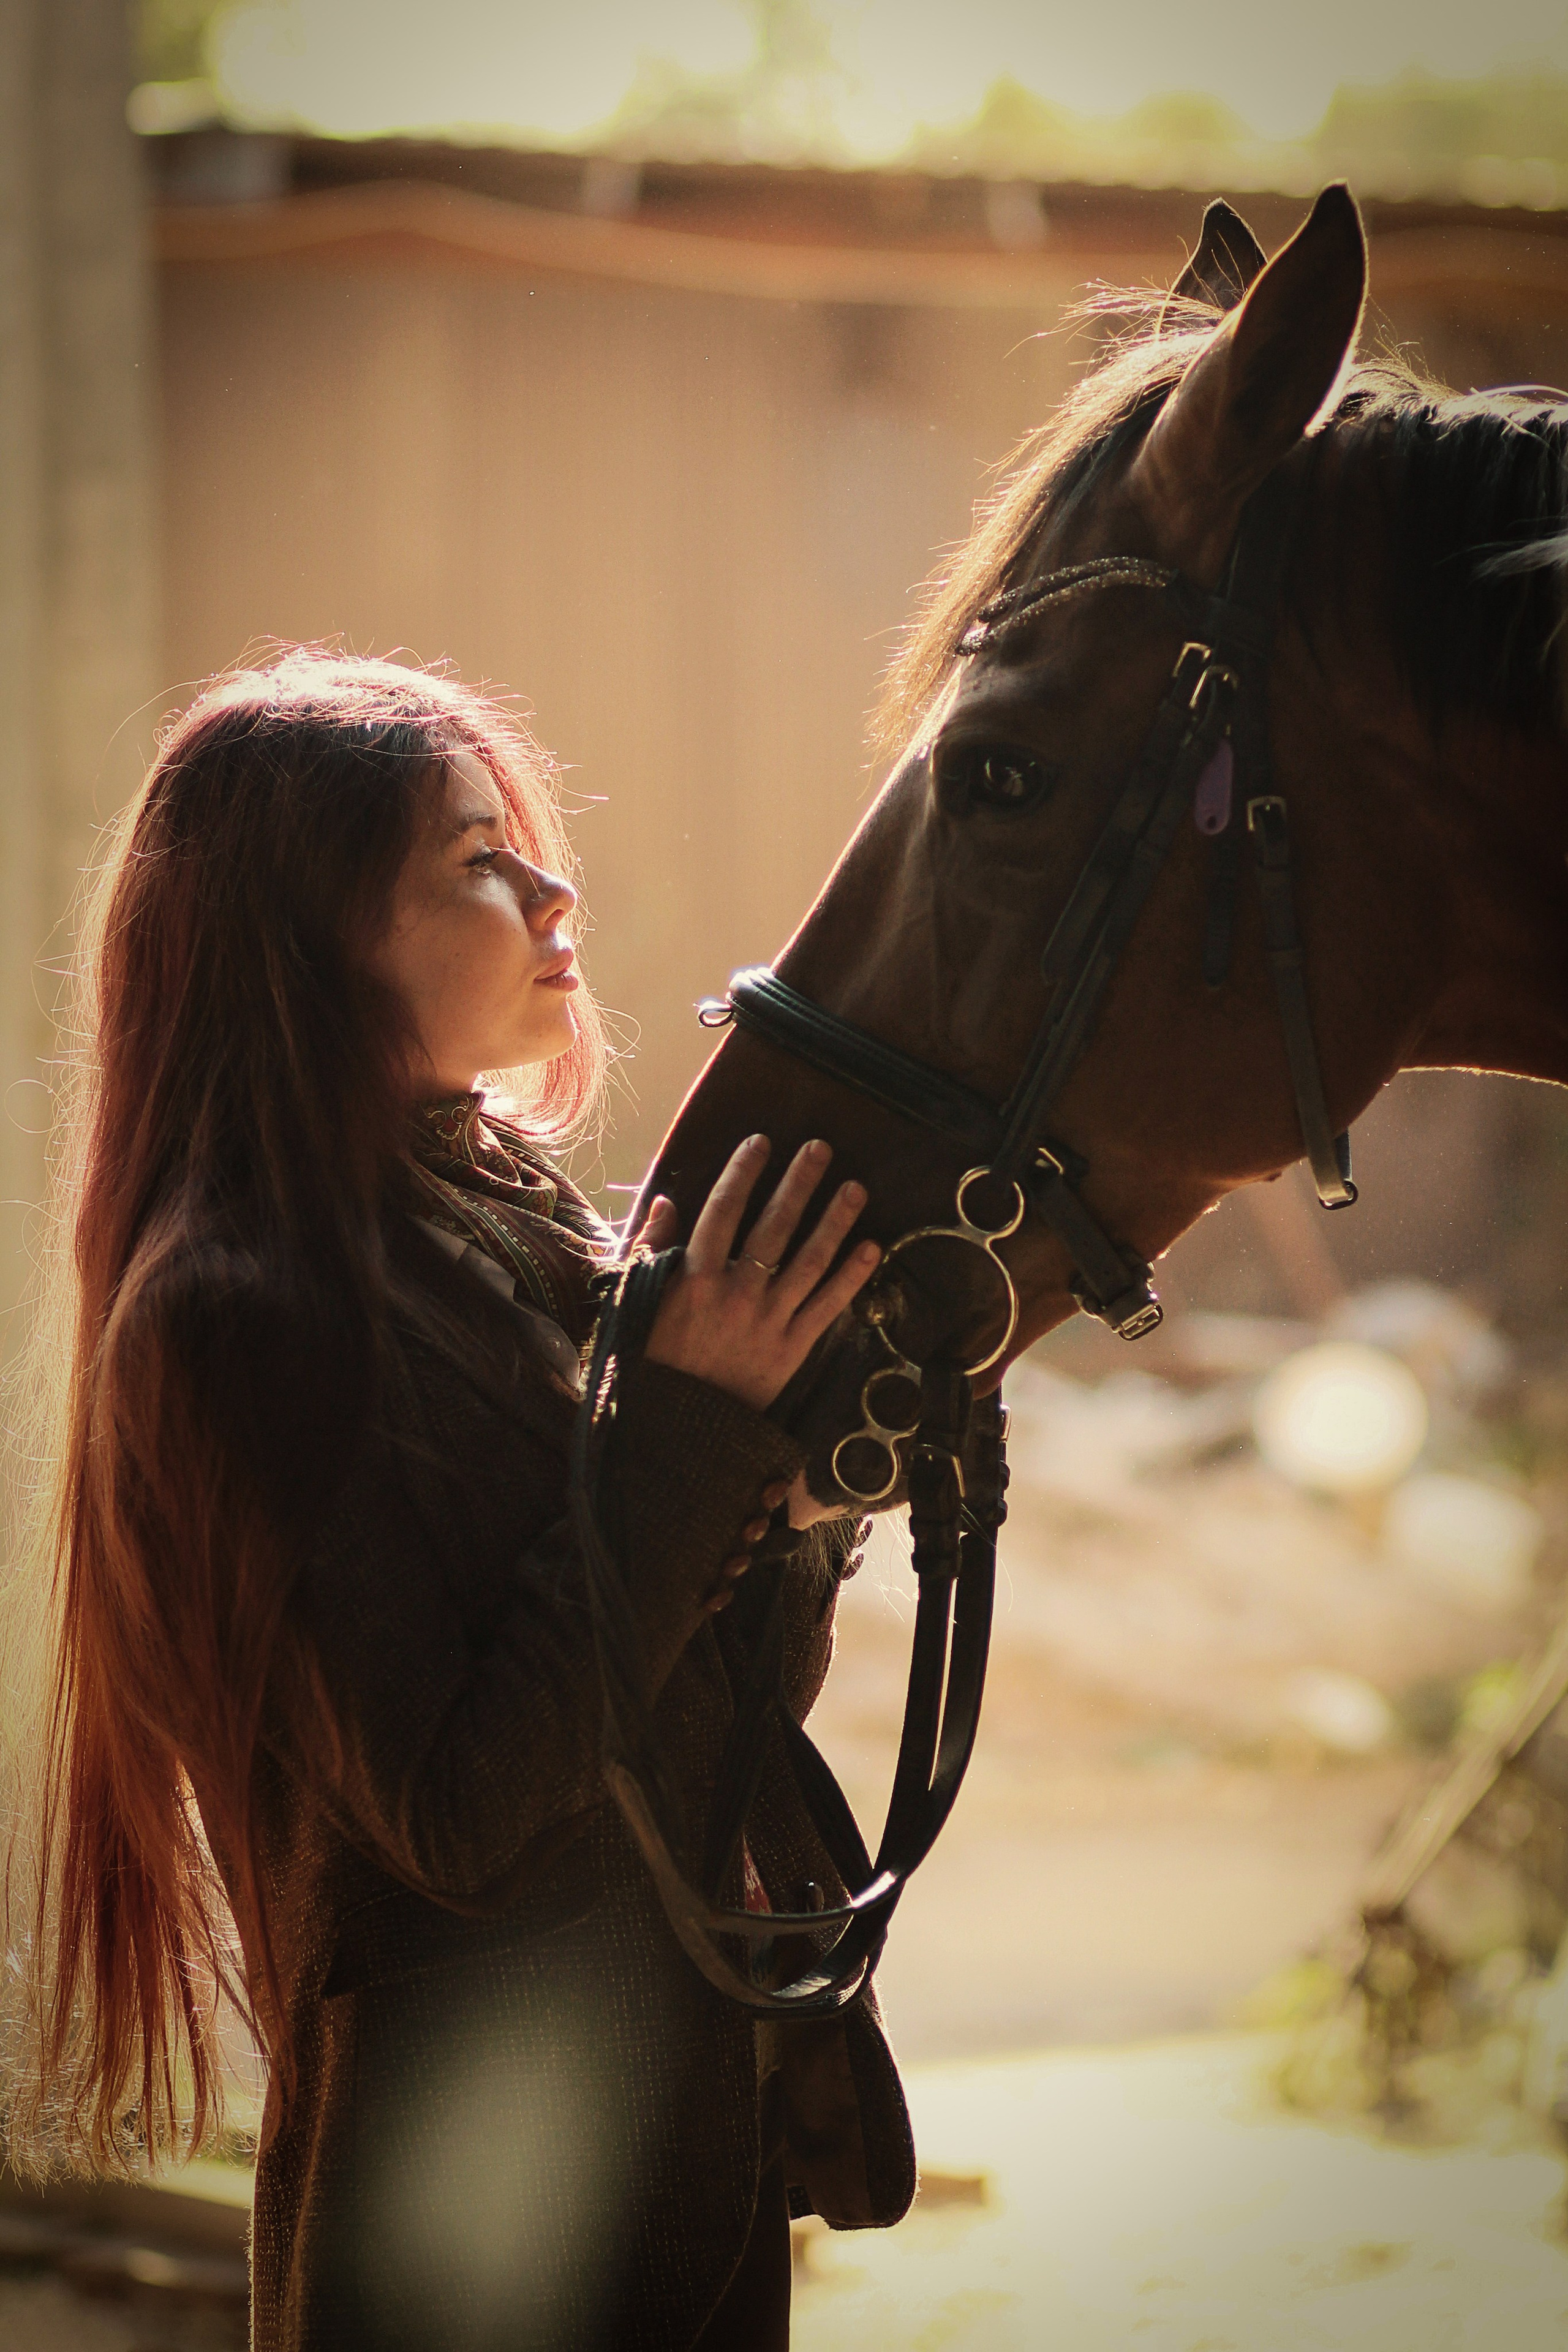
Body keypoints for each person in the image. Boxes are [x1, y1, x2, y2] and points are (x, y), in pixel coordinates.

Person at [2, 652, 916, 2350]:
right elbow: (466, 1811)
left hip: (675, 2159)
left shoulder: (505, 1231)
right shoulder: (236, 1310)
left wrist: (798, 1481)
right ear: (309, 938)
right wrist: (693, 1429)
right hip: (464, 2232)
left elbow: (705, 1712)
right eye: (477, 862)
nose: (555, 892)